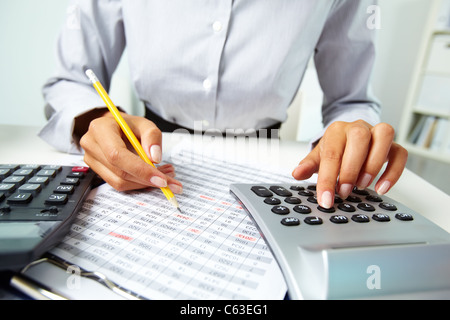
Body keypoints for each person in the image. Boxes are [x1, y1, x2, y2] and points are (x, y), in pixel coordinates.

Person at [39, 0, 407, 209]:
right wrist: (95, 118)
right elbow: (72, 79)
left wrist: (351, 135)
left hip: (270, 162)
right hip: (150, 152)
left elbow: (351, 100)